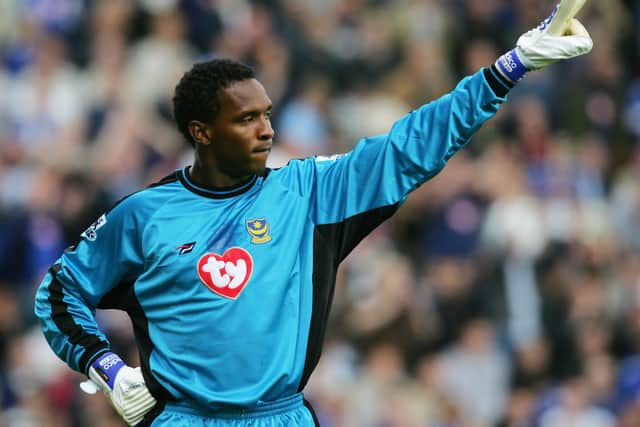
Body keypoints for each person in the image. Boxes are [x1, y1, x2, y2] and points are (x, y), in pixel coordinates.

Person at [34, 8, 593, 427]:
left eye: (268, 115)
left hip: (283, 416)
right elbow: (58, 292)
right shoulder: (144, 216)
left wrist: (510, 67)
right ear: (201, 132)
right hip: (186, 418)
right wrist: (104, 366)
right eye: (246, 119)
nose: (266, 131)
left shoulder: (307, 193)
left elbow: (409, 147)